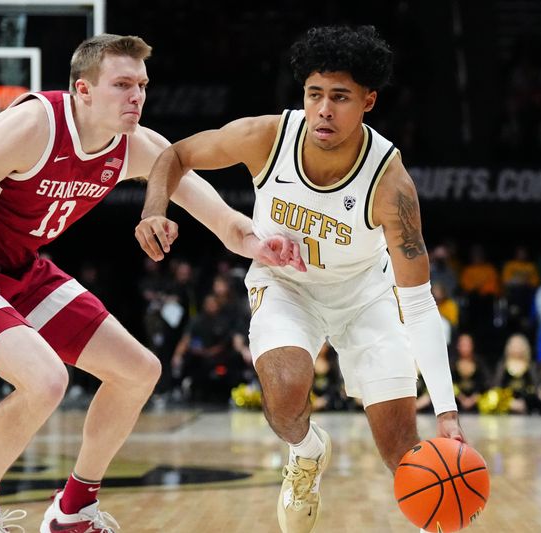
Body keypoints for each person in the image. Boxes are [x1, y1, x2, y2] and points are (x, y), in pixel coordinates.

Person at [0, 34, 303, 533]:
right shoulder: (31, 126)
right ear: (83, 90)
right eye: (123, 84)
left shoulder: (138, 148)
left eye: (142, 85)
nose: (137, 96)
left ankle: (72, 513)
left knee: (138, 370)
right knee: (46, 381)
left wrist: (260, 241)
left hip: (20, 266)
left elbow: (220, 218)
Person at [136, 25, 465, 533]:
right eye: (315, 95)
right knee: (287, 392)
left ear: (368, 101)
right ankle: (307, 454)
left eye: (340, 97)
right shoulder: (268, 137)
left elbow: (419, 303)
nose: (324, 110)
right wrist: (153, 210)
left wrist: (447, 413)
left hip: (366, 296)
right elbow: (173, 155)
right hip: (287, 284)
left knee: (404, 453)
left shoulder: (391, 181)